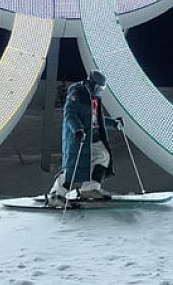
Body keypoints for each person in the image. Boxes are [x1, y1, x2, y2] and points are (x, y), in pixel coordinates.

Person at [46, 69, 124, 206]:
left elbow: (95, 120)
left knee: (103, 156)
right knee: (73, 166)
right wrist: (77, 129)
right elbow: (69, 114)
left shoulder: (95, 97)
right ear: (92, 83)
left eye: (102, 87)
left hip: (93, 136)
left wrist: (114, 123)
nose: (100, 89)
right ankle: (55, 195)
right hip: (79, 137)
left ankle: (90, 189)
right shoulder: (77, 91)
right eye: (99, 86)